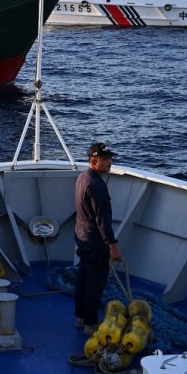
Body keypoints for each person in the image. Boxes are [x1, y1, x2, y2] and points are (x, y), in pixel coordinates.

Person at [73, 142, 123, 334]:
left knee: (83, 278)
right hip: (95, 243)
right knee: (95, 283)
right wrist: (112, 246)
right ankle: (91, 324)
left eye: (110, 159)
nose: (110, 162)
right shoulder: (96, 186)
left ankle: (80, 317)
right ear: (94, 162)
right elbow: (102, 220)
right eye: (106, 159)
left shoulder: (83, 177)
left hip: (82, 237)